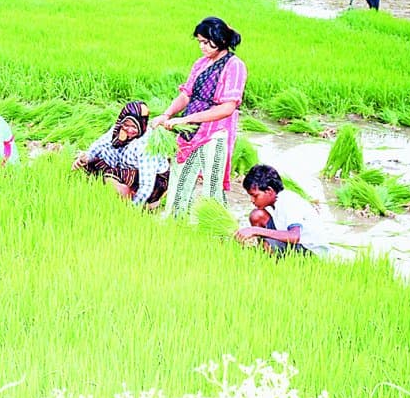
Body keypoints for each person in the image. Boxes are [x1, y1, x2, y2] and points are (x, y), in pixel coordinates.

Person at [151, 17, 247, 215]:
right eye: (200, 42)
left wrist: (185, 119)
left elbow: (227, 108)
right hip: (190, 130)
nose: (202, 47)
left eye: (206, 42)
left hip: (216, 133)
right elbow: (186, 95)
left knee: (212, 184)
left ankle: (216, 225)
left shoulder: (234, 66)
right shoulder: (201, 63)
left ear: (220, 40)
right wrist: (166, 115)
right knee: (180, 178)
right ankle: (175, 219)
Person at [72, 101, 169, 205]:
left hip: (153, 179)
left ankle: (146, 203)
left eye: (134, 126)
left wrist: (134, 206)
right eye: (126, 125)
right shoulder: (118, 130)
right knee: (90, 165)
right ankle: (119, 192)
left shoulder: (145, 145)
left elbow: (147, 184)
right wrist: (86, 158)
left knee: (110, 177)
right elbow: (100, 145)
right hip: (125, 168)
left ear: (142, 125)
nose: (129, 130)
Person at [235, 164, 329, 256]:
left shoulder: (288, 201)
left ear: (269, 191)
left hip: (310, 250)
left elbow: (294, 236)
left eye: (255, 196)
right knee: (257, 215)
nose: (252, 200)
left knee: (269, 245)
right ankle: (263, 252)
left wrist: (255, 230)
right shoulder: (274, 202)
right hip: (295, 243)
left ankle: (268, 257)